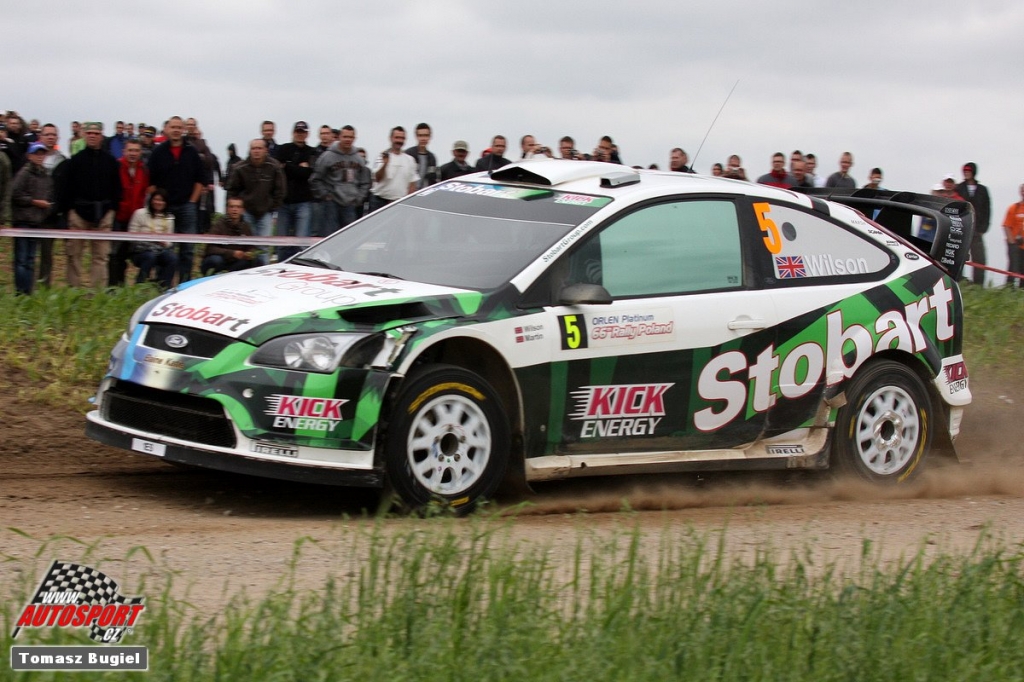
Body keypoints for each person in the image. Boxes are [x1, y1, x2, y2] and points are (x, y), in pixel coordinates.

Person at [60, 122, 121, 289]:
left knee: (101, 256)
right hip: (78, 214)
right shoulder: (75, 161)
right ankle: (74, 291)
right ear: (84, 135)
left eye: (96, 133)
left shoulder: (110, 162)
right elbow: (66, 188)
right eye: (89, 133)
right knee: (74, 255)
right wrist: (69, 211)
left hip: (104, 214)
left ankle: (97, 293)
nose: (92, 136)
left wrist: (112, 210)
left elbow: (116, 189)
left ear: (101, 136)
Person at [147, 116, 206, 282]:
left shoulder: (192, 152)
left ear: (184, 130)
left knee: (187, 248)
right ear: (167, 129)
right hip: (164, 208)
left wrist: (192, 201)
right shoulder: (158, 152)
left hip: (187, 206)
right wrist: (157, 203)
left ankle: (185, 283)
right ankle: (162, 283)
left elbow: (200, 180)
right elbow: (151, 181)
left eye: (179, 127)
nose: (176, 130)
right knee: (164, 248)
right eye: (173, 127)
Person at [226, 139, 285, 264]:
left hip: (266, 212)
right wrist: (236, 208)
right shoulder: (240, 167)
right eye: (253, 148)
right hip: (247, 212)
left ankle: (263, 271)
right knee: (248, 246)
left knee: (264, 246)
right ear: (249, 150)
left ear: (265, 150)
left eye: (259, 148)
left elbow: (280, 189)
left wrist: (273, 207)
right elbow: (232, 190)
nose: (256, 151)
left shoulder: (274, 166)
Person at [9, 142, 53, 295]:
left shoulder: (45, 175)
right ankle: (20, 292)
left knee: (31, 259)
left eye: (42, 154)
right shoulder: (24, 173)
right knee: (21, 259)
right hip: (22, 221)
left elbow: (49, 194)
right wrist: (34, 202)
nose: (40, 157)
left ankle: (28, 292)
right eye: (36, 154)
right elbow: (15, 194)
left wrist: (45, 208)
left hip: (37, 221)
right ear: (29, 156)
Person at [311, 125, 369, 235]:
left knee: (348, 236)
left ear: (354, 138)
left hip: (350, 204)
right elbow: (315, 179)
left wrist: (359, 198)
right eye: (345, 136)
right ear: (339, 137)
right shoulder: (327, 156)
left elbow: (365, 182)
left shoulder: (359, 159)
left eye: (350, 137)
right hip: (331, 203)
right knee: (330, 236)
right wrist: (325, 195)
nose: (348, 139)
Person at [109, 139, 150, 286]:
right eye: (130, 150)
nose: (133, 153)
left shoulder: (144, 170)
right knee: (115, 254)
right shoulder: (116, 167)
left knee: (129, 253)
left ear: (140, 153)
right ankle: (114, 286)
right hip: (118, 217)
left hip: (135, 219)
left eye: (136, 151)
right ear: (124, 152)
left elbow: (145, 193)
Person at [275, 121, 317, 260]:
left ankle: (300, 266)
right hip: (284, 202)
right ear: (293, 133)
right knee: (282, 242)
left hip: (303, 202)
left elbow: (308, 173)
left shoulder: (312, 151)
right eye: (298, 132)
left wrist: (288, 166)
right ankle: (281, 266)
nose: (300, 134)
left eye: (303, 132)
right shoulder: (283, 149)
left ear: (307, 134)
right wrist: (299, 168)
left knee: (302, 242)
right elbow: (279, 170)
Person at [35, 124, 68, 288]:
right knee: (28, 254)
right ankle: (26, 288)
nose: (50, 137)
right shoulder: (32, 157)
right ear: (41, 137)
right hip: (31, 212)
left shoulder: (62, 160)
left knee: (46, 253)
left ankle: (44, 286)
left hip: (51, 214)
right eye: (47, 134)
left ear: (57, 138)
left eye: (53, 135)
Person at [127, 189, 177, 289]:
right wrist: (148, 237)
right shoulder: (139, 213)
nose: (158, 203)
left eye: (161, 200)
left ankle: (164, 287)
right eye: (156, 199)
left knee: (172, 258)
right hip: (140, 250)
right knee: (150, 257)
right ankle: (139, 286)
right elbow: (131, 235)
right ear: (151, 200)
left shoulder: (170, 218)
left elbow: (170, 241)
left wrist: (162, 241)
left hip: (160, 248)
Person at [957, 162, 991, 286]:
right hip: (962, 228)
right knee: (959, 257)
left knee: (979, 258)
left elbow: (987, 209)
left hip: (977, 229)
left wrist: (983, 228)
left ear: (973, 172)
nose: (966, 173)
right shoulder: (959, 188)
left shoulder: (982, 190)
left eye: (969, 171)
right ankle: (959, 282)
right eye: (965, 171)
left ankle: (978, 286)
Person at [369, 126, 419, 212]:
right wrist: (385, 164)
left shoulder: (410, 160)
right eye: (397, 137)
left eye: (402, 138)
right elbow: (377, 178)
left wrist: (409, 203)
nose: (399, 141)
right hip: (380, 201)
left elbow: (412, 184)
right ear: (391, 138)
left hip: (399, 202)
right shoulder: (382, 156)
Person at [201, 197, 257, 274]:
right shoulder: (218, 225)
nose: (235, 209)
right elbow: (210, 248)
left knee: (256, 261)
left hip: (235, 263)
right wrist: (232, 253)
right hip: (219, 259)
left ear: (243, 210)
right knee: (216, 260)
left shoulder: (246, 227)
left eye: (238, 207)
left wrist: (249, 253)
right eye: (232, 206)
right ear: (227, 209)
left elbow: (251, 247)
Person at [1001, 183, 1024, 289]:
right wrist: (1012, 242)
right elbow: (1006, 226)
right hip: (1016, 246)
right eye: (1022, 190)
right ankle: (1009, 290)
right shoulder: (1014, 208)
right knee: (1013, 269)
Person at [405, 122, 438, 188]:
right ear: (416, 136)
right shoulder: (409, 154)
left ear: (430, 136)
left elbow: (433, 179)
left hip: (425, 192)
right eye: (420, 135)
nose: (423, 139)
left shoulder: (432, 158)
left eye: (426, 135)